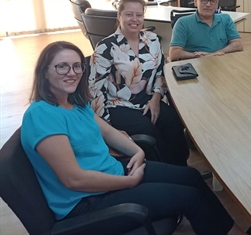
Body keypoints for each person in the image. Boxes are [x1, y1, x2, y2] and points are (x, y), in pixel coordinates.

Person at [20, 41, 237, 234]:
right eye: (62, 66)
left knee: (192, 176)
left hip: (112, 173)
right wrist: (129, 181)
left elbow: (107, 132)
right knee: (190, 198)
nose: (72, 72)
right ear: (44, 72)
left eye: (77, 66)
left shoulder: (74, 103)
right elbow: (74, 179)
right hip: (88, 201)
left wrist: (138, 151)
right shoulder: (42, 115)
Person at [88, 0, 189, 166]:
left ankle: (181, 168)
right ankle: (163, 170)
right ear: (119, 16)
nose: (134, 19)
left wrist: (157, 97)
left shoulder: (153, 40)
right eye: (129, 14)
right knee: (148, 130)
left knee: (173, 121)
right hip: (118, 104)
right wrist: (107, 127)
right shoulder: (106, 47)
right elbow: (94, 89)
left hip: (148, 99)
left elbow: (160, 71)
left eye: (139, 15)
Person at [169, 0, 243, 61]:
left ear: (217, 4)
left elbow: (238, 44)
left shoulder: (226, 19)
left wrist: (216, 53)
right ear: (195, 1)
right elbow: (174, 53)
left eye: (212, 1)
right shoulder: (183, 23)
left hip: (221, 63)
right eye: (204, 0)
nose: (208, 4)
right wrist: (198, 56)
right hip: (195, 65)